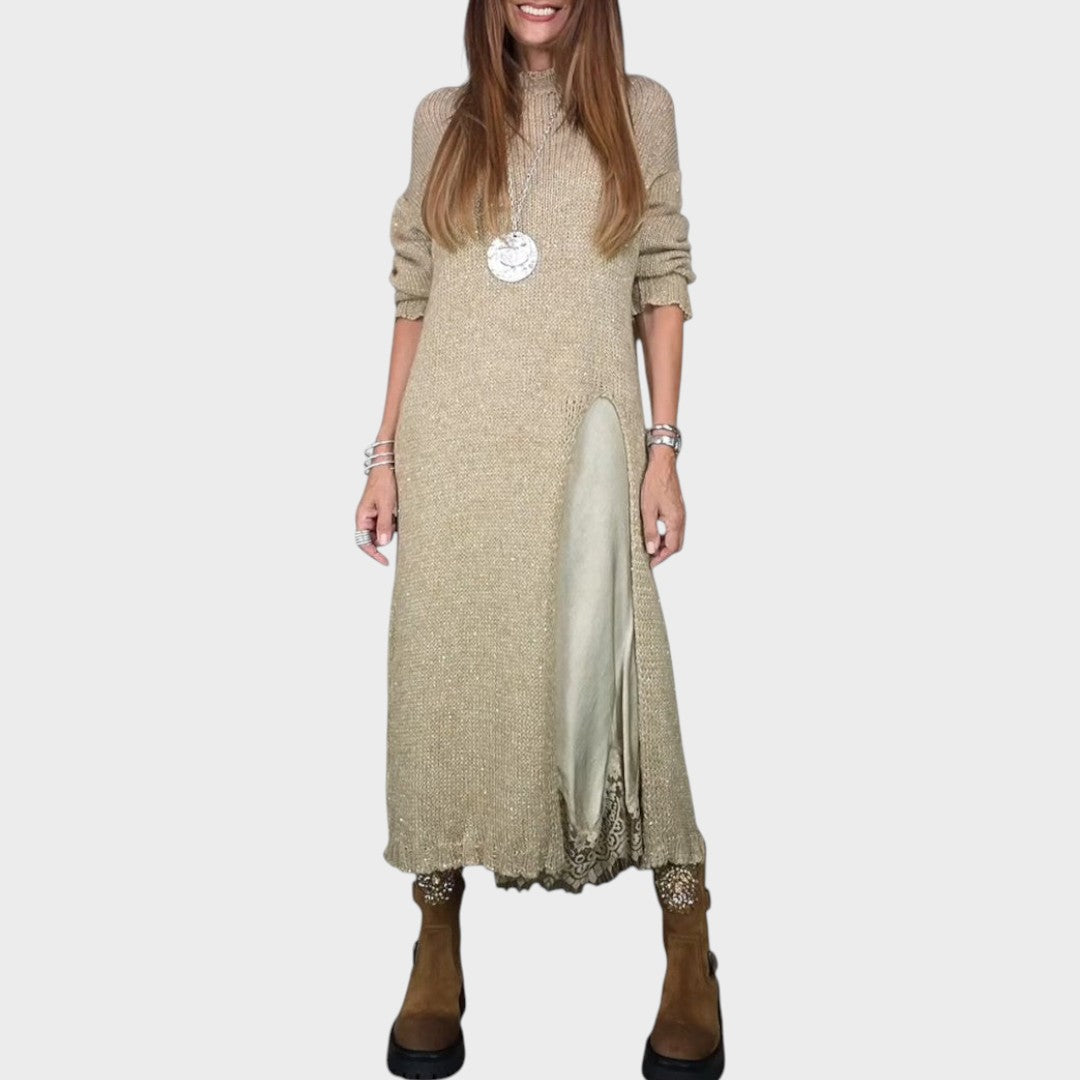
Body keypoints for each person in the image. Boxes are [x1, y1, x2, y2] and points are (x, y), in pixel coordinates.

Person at [354, 2, 724, 1077]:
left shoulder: (640, 112)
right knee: (446, 676)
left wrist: (664, 449)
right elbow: (415, 295)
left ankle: (687, 935)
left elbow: (662, 276)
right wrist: (383, 454)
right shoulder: (441, 119)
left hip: (585, 439)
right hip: (455, 446)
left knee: (624, 680)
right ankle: (435, 931)